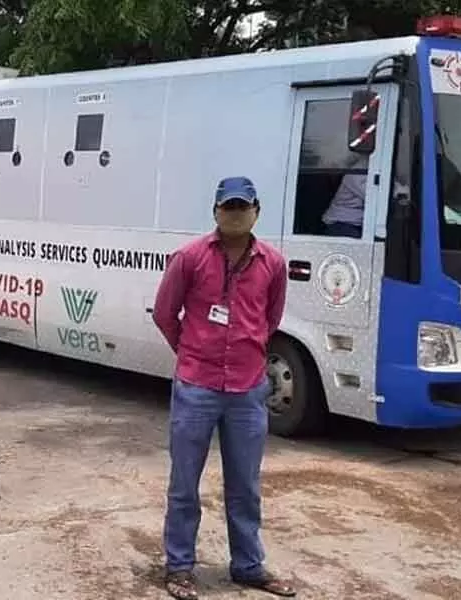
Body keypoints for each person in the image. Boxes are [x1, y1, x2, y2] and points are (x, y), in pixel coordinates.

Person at [151, 176, 296, 599]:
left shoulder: (273, 264)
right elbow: (165, 312)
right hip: (197, 386)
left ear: (256, 211)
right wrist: (192, 353)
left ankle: (248, 567)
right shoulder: (190, 257)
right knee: (184, 483)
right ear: (216, 212)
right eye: (228, 207)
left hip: (248, 391)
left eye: (242, 206)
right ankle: (179, 567)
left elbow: (270, 318)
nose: (235, 213)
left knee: (245, 485)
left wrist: (248, 354)